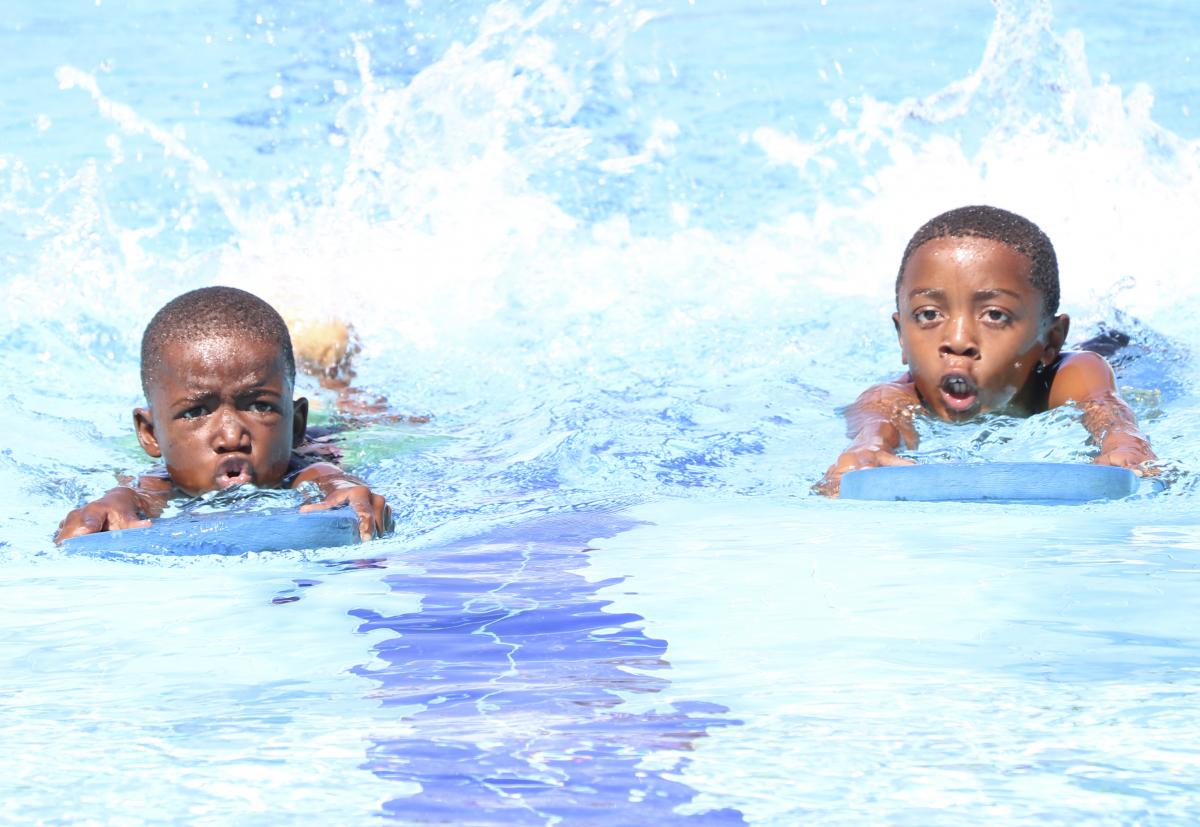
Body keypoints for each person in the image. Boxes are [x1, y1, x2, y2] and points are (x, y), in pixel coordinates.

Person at [817, 205, 1157, 496]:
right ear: (902, 337)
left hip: (1125, 357)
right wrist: (867, 449)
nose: (958, 340)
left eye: (995, 315)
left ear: (1051, 341)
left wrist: (1124, 444)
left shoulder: (1072, 376)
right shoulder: (893, 398)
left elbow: (1109, 413)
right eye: (928, 315)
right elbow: (874, 428)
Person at [55, 286, 393, 542]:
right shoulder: (161, 481)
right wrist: (107, 508)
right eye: (196, 411)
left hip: (326, 438)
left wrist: (345, 486)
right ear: (150, 433)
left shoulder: (306, 469)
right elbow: (137, 495)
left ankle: (336, 377)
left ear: (295, 424)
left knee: (354, 409)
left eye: (261, 406)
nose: (232, 436)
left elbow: (327, 477)